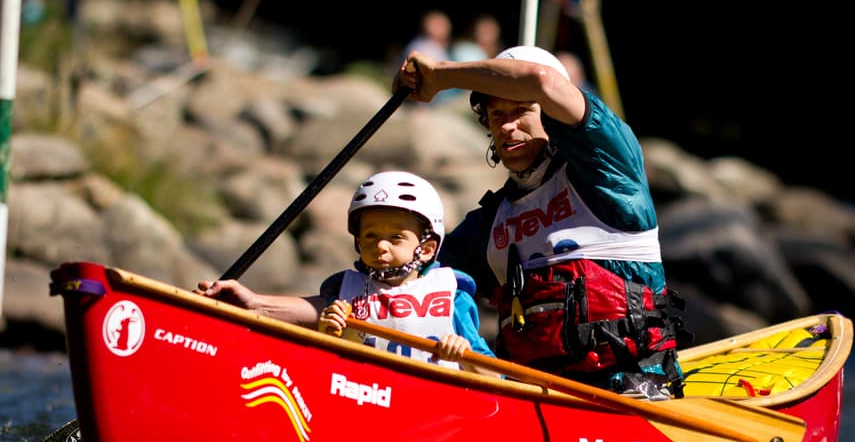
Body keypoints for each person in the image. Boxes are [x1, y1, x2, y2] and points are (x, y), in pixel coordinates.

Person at [393, 45, 690, 399]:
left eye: (521, 111)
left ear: (549, 113)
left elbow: (541, 81)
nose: (507, 126)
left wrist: (439, 76)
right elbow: (397, 282)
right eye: (496, 113)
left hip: (632, 391)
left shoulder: (608, 170)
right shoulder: (489, 226)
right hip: (530, 402)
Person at [196, 171, 497, 375]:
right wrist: (251, 304)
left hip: (433, 412)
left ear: (428, 249)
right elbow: (308, 312)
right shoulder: (345, 291)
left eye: (395, 238)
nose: (380, 246)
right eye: (369, 236)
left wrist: (465, 355)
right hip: (364, 399)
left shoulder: (452, 296)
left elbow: (496, 377)